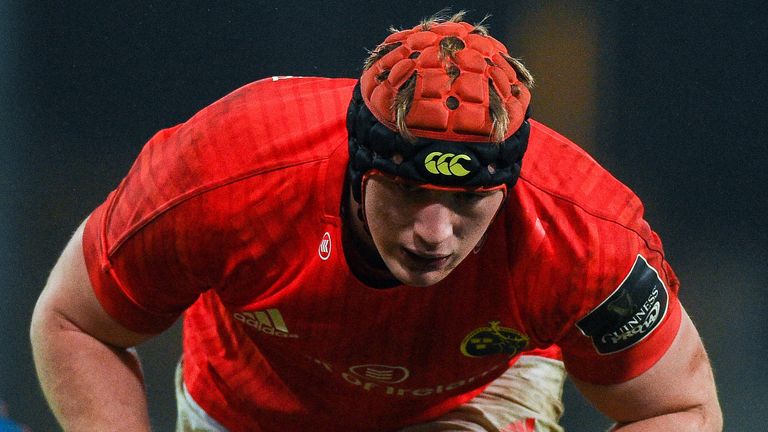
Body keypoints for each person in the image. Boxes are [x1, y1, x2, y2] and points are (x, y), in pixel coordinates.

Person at [30, 11, 722, 432]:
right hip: (247, 410)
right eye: (407, 191)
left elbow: (680, 410)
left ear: (509, 188)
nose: (434, 232)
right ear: (357, 166)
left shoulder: (584, 235)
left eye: (466, 201)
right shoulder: (229, 167)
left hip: (468, 404)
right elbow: (76, 322)